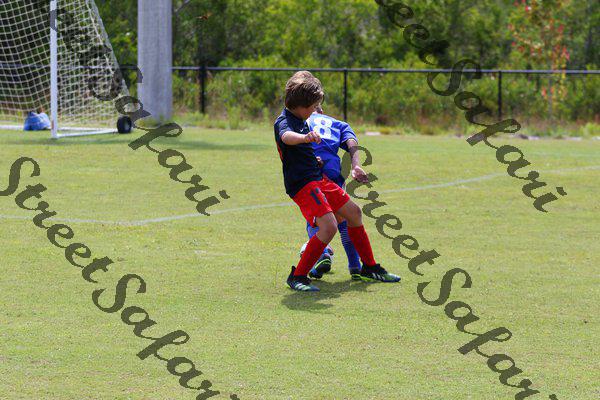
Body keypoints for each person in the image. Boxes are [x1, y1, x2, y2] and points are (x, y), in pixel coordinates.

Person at [273, 71, 401, 292]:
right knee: (329, 226)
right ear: (302, 105)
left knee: (354, 213)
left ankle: (369, 268)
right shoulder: (284, 121)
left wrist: (314, 158)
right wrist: (305, 138)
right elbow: (286, 138)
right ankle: (298, 276)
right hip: (303, 184)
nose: (316, 110)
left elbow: (299, 152)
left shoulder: (302, 119)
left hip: (318, 177)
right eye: (313, 106)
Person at [300, 104, 367, 280]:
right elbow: (351, 141)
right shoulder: (337, 123)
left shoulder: (301, 120)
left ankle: (322, 254)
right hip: (333, 170)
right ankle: (355, 266)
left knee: (314, 218)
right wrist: (356, 165)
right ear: (322, 111)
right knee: (343, 218)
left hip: (313, 170)